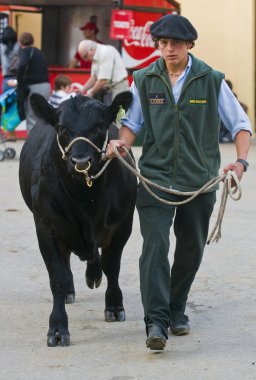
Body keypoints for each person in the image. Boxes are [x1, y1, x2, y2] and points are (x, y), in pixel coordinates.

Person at [106, 14, 251, 350]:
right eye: (162, 43)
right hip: (155, 178)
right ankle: (156, 322)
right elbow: (132, 124)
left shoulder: (211, 80)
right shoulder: (143, 79)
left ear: (189, 45)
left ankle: (176, 308)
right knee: (154, 247)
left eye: (175, 43)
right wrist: (121, 143)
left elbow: (240, 126)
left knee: (190, 250)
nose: (168, 48)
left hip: (199, 181)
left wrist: (241, 162)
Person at [8, 32, 51, 133]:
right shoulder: (39, 52)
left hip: (34, 87)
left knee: (32, 116)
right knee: (42, 115)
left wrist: (18, 80)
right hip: (46, 86)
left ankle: (33, 144)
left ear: (20, 42)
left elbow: (22, 64)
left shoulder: (24, 51)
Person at [77, 40, 129, 104]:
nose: (85, 60)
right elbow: (94, 78)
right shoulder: (95, 54)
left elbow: (103, 80)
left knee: (119, 113)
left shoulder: (105, 52)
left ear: (92, 49)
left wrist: (90, 93)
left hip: (119, 86)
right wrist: (83, 89)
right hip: (110, 88)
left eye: (85, 56)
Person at [0, 26, 20, 93]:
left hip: (6, 80)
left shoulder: (2, 47)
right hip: (18, 79)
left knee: (5, 103)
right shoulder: (19, 47)